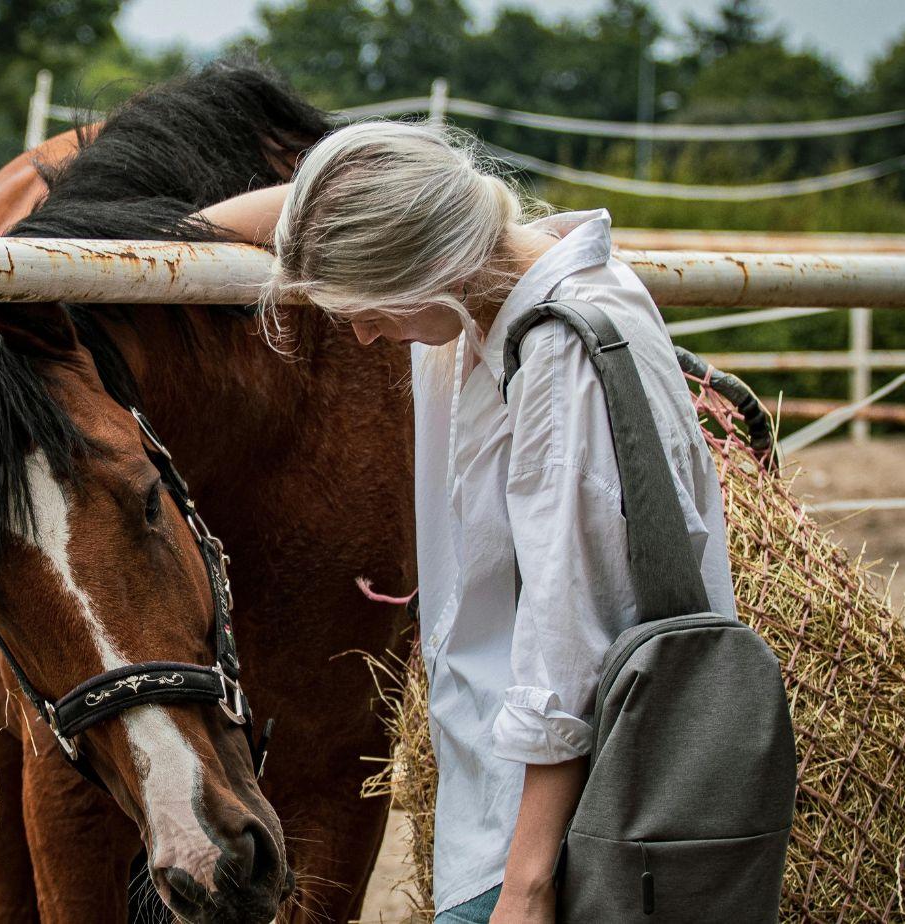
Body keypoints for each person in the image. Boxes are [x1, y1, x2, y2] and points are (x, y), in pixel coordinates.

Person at [194, 121, 737, 924]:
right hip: (510, 803)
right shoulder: (488, 299)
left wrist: (527, 885)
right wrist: (174, 231)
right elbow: (319, 212)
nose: (363, 334)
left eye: (369, 307)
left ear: (429, 262)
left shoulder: (560, 357)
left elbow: (571, 646)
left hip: (560, 831)